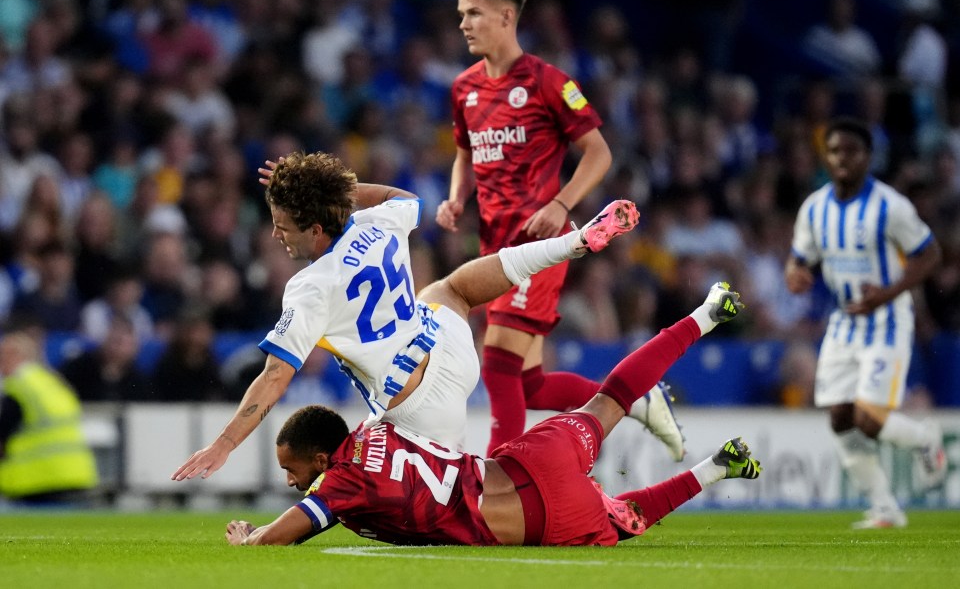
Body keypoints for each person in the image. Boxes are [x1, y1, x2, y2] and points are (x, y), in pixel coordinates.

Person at [173, 151, 638, 481]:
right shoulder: (377, 223)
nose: (276, 234)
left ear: (316, 228)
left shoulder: (309, 288)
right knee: (450, 288)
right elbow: (405, 196)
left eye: (283, 225)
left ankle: (578, 495)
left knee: (475, 500)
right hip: (450, 345)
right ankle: (571, 244)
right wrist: (332, 189)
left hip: (417, 410)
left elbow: (274, 378)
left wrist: (224, 444)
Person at [224, 282, 756, 547]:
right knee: (610, 401)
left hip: (533, 520)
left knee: (624, 521)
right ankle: (705, 314)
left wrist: (249, 537)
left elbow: (281, 537)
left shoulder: (339, 485)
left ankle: (712, 469)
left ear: (321, 457)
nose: (293, 482)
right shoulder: (377, 424)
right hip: (531, 459)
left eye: (293, 470)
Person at [436, 0, 684, 459]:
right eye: (462, 14)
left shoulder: (548, 82)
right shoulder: (463, 87)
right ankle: (635, 402)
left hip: (537, 245)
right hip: (494, 247)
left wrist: (561, 203)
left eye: (474, 13)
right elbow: (466, 152)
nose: (463, 24)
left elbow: (599, 153)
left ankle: (498, 483)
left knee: (499, 363)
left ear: (507, 16)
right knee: (529, 385)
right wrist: (456, 196)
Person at [784, 116, 947, 529]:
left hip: (888, 320)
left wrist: (891, 292)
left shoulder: (891, 206)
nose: (842, 159)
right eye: (835, 151)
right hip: (843, 322)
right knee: (839, 417)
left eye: (851, 152)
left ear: (868, 158)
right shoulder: (815, 208)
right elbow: (799, 259)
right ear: (827, 155)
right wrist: (795, 274)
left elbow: (929, 254)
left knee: (868, 418)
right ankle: (885, 508)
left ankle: (927, 438)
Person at [0, 329, 99, 504]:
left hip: (38, 478)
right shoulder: (52, 381)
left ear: (16, 355)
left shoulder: (19, 387)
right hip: (75, 472)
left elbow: (3, 430)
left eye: (4, 354)